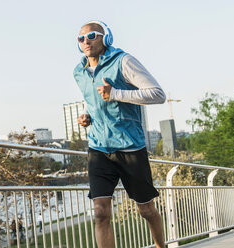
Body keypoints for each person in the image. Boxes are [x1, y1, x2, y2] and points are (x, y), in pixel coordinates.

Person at [73, 20, 166, 248]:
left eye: (92, 36)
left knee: (145, 209)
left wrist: (115, 93)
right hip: (99, 149)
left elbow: (158, 94)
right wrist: (86, 117)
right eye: (81, 38)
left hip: (130, 148)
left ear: (106, 38)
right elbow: (93, 102)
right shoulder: (79, 71)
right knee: (100, 212)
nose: (86, 41)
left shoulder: (123, 61)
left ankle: (161, 246)